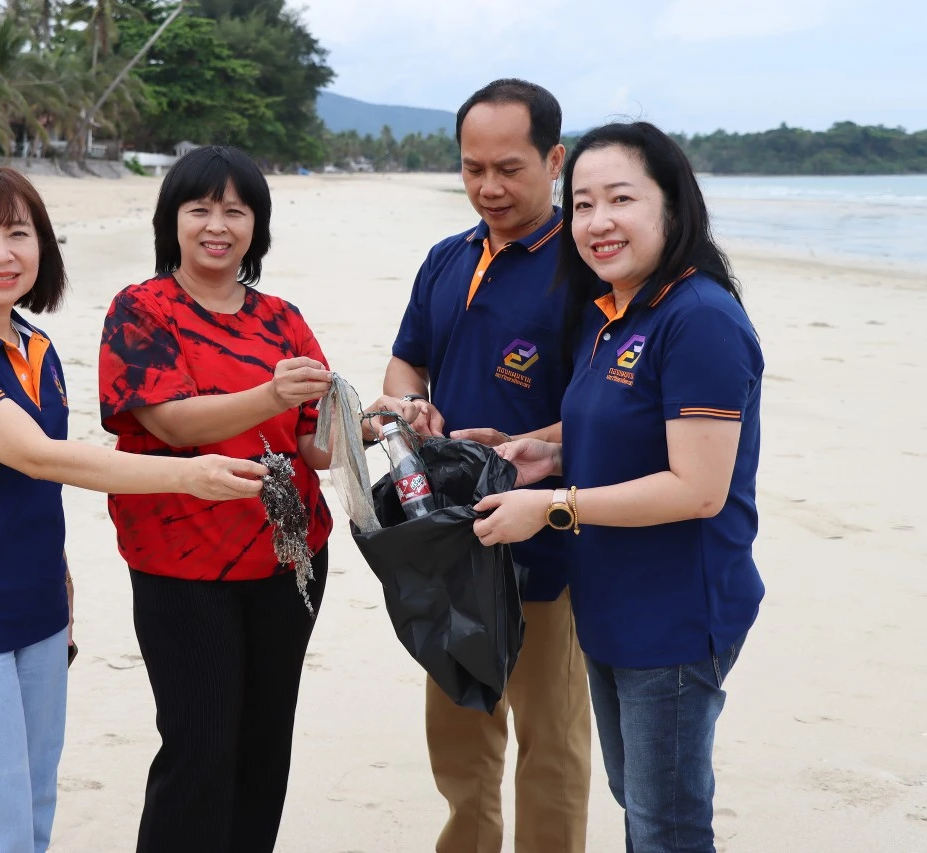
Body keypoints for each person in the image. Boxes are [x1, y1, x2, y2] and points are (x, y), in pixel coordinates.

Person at [0, 165, 268, 853]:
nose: (2, 253)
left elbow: (33, 487)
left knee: (32, 799)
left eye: (18, 234)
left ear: (43, 248)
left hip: (34, 605)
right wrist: (188, 475)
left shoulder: (34, 345)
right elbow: (39, 456)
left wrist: (59, 577)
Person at [98, 145, 411, 853]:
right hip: (181, 563)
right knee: (198, 747)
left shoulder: (280, 317)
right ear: (170, 220)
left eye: (235, 210)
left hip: (288, 560)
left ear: (256, 226)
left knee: (263, 745)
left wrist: (375, 419)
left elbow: (315, 445)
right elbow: (168, 420)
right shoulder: (142, 310)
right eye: (200, 208)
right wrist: (269, 393)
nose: (218, 224)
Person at [474, 121, 765, 852]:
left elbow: (698, 487)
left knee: (666, 823)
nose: (598, 222)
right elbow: (617, 424)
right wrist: (540, 451)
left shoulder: (699, 320)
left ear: (673, 204)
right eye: (582, 204)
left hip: (672, 610)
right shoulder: (613, 313)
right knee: (637, 797)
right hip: (611, 599)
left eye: (621, 200)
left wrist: (552, 506)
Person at [384, 79, 591, 853]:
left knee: (552, 740)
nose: (488, 187)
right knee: (462, 730)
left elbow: (603, 411)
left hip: (549, 543)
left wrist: (513, 450)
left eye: (509, 168)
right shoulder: (448, 257)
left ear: (555, 160)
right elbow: (406, 362)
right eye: (473, 168)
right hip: (451, 539)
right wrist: (410, 409)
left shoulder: (586, 265)